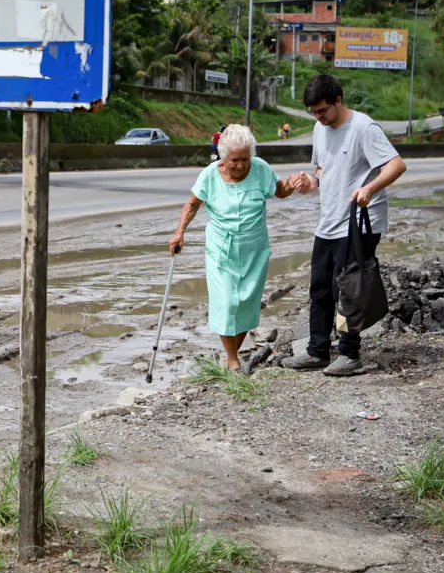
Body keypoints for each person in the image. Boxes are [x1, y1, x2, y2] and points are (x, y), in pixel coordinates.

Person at [289, 75, 407, 376]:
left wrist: (369, 189)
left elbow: (396, 165)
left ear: (338, 101)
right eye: (313, 112)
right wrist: (310, 182)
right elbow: (323, 169)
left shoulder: (363, 128)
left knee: (347, 291)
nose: (319, 117)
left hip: (358, 224)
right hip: (328, 221)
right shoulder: (320, 128)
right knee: (319, 288)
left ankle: (349, 353)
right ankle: (317, 351)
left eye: (323, 111)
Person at [169, 124, 300, 371]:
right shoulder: (209, 175)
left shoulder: (260, 169)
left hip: (255, 249)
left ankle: (233, 353)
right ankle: (232, 360)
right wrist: (179, 233)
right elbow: (192, 204)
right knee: (228, 303)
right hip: (221, 250)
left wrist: (291, 184)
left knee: (248, 305)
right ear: (222, 156)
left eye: (245, 159)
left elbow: (279, 190)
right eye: (235, 160)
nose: (240, 165)